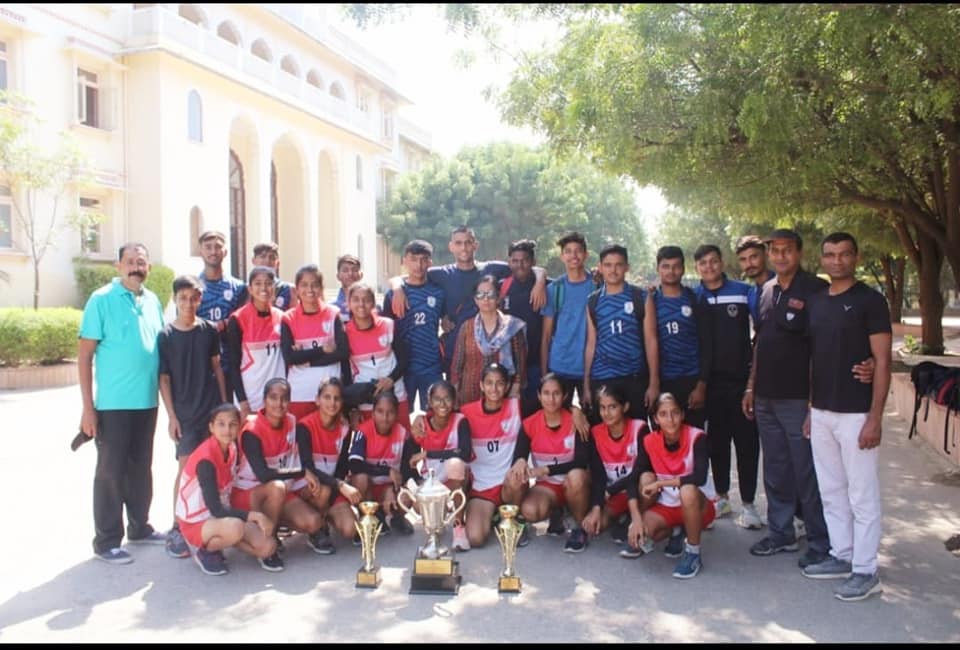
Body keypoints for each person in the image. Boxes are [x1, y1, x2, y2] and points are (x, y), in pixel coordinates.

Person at [802, 232, 891, 602]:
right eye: (830, 255)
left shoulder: (870, 301)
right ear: (822, 260)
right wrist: (810, 410)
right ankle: (842, 554)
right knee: (832, 490)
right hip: (822, 412)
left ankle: (866, 569)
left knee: (862, 494)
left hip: (856, 413)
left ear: (856, 257)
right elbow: (814, 358)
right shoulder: (817, 302)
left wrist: (875, 417)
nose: (837, 261)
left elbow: (882, 360)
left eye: (844, 255)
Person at [741, 229, 832, 568]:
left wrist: (813, 403)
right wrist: (751, 387)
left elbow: (821, 349)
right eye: (775, 251)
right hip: (765, 397)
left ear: (799, 253)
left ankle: (820, 541)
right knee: (776, 470)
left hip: (798, 400)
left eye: (787, 250)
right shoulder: (765, 290)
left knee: (807, 472)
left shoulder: (816, 290)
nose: (780, 256)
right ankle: (781, 534)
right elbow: (760, 344)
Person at [78, 242, 167, 564]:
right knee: (110, 472)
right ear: (118, 266)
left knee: (141, 469)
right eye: (129, 261)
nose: (135, 267)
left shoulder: (154, 300)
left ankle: (140, 527)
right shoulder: (101, 300)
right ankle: (106, 541)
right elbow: (85, 355)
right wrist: (88, 409)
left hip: (147, 402)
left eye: (141, 262)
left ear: (149, 267)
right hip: (113, 405)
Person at [388, 226, 546, 376]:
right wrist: (397, 287)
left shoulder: (492, 269)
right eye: (458, 243)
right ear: (451, 246)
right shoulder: (441, 274)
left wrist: (540, 282)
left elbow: (525, 266)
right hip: (456, 352)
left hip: (491, 352)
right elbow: (412, 275)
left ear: (475, 245)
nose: (463, 247)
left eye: (468, 242)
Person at [158, 275, 228, 559]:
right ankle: (177, 526)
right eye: (183, 297)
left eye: (194, 297)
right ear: (175, 299)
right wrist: (172, 416)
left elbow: (217, 367)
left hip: (210, 410)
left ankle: (209, 519)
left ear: (200, 299)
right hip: (185, 415)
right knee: (185, 470)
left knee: (211, 469)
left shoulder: (209, 330)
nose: (188, 303)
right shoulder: (166, 336)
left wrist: (224, 405)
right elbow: (163, 379)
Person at [693, 244, 762, 527]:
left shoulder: (745, 292)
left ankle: (748, 504)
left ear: (722, 263)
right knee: (716, 445)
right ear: (696, 267)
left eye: (713, 261)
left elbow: (763, 332)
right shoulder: (692, 296)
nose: (709, 267)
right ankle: (721, 498)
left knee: (747, 445)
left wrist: (752, 383)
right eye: (703, 263)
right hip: (709, 384)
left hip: (741, 383)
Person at [175, 404, 277, 576]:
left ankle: (228, 540)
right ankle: (204, 551)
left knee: (268, 546)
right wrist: (255, 515)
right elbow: (216, 508)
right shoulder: (206, 459)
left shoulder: (231, 448)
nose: (227, 430)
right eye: (221, 424)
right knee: (236, 527)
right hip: (196, 520)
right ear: (211, 427)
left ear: (239, 426)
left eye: (232, 424)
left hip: (221, 516)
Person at [234, 378, 325, 571]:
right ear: (264, 400)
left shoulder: (291, 421)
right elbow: (264, 474)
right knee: (277, 486)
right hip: (248, 492)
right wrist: (302, 472)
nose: (279, 404)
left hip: (280, 492)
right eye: (273, 398)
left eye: (284, 398)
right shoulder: (252, 429)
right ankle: (268, 543)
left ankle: (277, 523)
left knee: (314, 521)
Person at [633, 393, 717, 579]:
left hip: (699, 505)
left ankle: (693, 552)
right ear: (655, 418)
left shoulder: (697, 437)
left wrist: (662, 483)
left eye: (675, 413)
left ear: (682, 415)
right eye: (663, 414)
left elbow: (700, 477)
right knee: (641, 537)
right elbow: (635, 476)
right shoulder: (650, 441)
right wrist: (635, 518)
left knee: (687, 490)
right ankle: (677, 531)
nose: (670, 419)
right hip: (667, 506)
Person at [508, 374, 591, 553]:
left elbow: (582, 462)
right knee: (530, 509)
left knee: (576, 476)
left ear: (564, 396)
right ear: (539, 396)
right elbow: (520, 454)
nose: (551, 399)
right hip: (548, 487)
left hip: (573, 484)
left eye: (556, 393)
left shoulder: (576, 420)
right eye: (546, 393)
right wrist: (521, 461)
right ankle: (552, 514)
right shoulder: (530, 423)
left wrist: (546, 469)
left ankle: (578, 527)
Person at [583, 243, 659, 423]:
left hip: (634, 378)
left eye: (618, 264)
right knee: (603, 439)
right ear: (600, 267)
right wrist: (586, 384)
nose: (613, 270)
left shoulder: (641, 297)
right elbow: (591, 344)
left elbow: (651, 340)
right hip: (602, 377)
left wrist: (654, 382)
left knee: (636, 435)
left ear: (627, 267)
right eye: (608, 265)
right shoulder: (592, 301)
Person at [292, 378, 363, 551]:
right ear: (317, 400)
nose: (332, 403)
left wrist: (338, 486)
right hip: (307, 487)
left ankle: (327, 516)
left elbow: (342, 466)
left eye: (337, 398)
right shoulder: (304, 426)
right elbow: (308, 467)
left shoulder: (345, 429)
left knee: (349, 529)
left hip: (331, 486)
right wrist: (341, 485)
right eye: (327, 397)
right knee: (323, 489)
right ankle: (316, 531)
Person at [461, 363, 526, 548]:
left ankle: (514, 519)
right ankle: (494, 516)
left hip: (508, 483)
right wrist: (421, 419)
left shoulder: (516, 406)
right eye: (489, 383)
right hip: (481, 486)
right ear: (481, 385)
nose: (494, 388)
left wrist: (575, 411)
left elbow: (550, 406)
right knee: (475, 539)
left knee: (517, 476)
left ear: (506, 386)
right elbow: (442, 416)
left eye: (499, 383)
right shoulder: (467, 412)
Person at [582, 384, 650, 557]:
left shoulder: (640, 428)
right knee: (597, 525)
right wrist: (596, 507)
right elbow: (598, 475)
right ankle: (620, 518)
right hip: (613, 494)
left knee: (647, 478)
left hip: (637, 491)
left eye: (613, 407)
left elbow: (638, 473)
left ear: (625, 407)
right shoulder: (596, 432)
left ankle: (635, 521)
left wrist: (610, 491)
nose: (607, 413)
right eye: (603, 408)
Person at [406, 380, 472, 551]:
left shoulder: (460, 421)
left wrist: (428, 454)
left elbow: (464, 453)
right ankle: (435, 527)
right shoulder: (421, 424)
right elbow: (410, 458)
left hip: (454, 478)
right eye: (437, 399)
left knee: (456, 464)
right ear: (429, 401)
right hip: (432, 482)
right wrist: (414, 484)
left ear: (454, 400)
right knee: (417, 505)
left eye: (447, 399)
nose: (442, 404)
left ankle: (459, 526)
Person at [650, 246, 711, 429]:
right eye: (666, 266)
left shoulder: (696, 299)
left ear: (683, 269)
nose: (671, 271)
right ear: (658, 269)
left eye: (676, 266)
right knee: (664, 440)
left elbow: (707, 344)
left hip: (691, 381)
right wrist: (652, 384)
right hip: (662, 381)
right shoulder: (649, 301)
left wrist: (701, 386)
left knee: (693, 439)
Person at [381, 241, 446, 411]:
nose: (419, 265)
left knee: (434, 414)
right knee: (401, 416)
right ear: (404, 261)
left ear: (430, 263)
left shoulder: (438, 293)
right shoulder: (393, 295)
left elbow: (447, 321)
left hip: (431, 366)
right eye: (413, 259)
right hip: (403, 367)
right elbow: (385, 331)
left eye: (424, 260)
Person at [281, 264, 350, 419]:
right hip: (300, 393)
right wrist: (322, 350)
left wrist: (306, 359)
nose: (310, 290)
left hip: (330, 395)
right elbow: (290, 358)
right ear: (297, 289)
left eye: (315, 285)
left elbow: (343, 352)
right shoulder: (288, 318)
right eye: (304, 285)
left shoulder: (333, 314)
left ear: (321, 287)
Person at [450, 275, 527, 407]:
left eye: (490, 294)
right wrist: (455, 394)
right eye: (480, 294)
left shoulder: (512, 327)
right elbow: (457, 364)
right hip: (470, 398)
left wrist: (514, 394)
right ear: (475, 299)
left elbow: (520, 366)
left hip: (503, 398)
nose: (486, 299)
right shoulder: (467, 327)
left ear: (498, 298)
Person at [541, 232, 598, 409]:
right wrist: (545, 375)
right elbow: (546, 335)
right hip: (560, 365)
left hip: (591, 367)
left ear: (586, 254)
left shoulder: (597, 286)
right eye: (568, 251)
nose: (573, 256)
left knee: (593, 422)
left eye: (578, 251)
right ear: (562, 256)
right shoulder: (554, 289)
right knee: (560, 423)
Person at [347, 391, 416, 535]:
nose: (385, 418)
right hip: (369, 489)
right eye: (380, 411)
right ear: (372, 414)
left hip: (388, 488)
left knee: (407, 496)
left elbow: (407, 469)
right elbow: (354, 464)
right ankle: (368, 515)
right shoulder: (363, 432)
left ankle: (395, 517)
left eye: (390, 413)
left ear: (396, 415)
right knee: (360, 478)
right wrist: (386, 471)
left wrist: (394, 489)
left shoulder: (403, 434)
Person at [344, 282, 411, 428]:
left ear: (373, 303)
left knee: (403, 442)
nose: (361, 304)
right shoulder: (345, 332)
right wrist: (353, 408)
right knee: (371, 447)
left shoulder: (388, 325)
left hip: (396, 395)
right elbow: (346, 373)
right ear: (348, 303)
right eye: (356, 299)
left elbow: (405, 358)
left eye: (367, 300)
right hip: (367, 401)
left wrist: (391, 379)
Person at [226, 266, 286, 419]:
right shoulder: (238, 319)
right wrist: (242, 401)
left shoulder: (283, 318)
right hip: (250, 397)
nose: (263, 288)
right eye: (258, 283)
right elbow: (233, 364)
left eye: (268, 283)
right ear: (250, 289)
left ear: (274, 288)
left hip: (277, 398)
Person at [196, 230, 247, 399]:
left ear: (225, 251)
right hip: (202, 365)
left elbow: (241, 323)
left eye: (217, 247)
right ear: (200, 251)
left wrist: (225, 324)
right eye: (208, 247)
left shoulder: (239, 288)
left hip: (231, 365)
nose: (213, 251)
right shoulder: (193, 287)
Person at [499, 239, 546, 417]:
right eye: (515, 260)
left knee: (536, 413)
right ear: (509, 262)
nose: (520, 265)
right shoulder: (502, 286)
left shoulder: (546, 285)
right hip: (509, 365)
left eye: (525, 260)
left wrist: (540, 279)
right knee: (511, 416)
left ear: (533, 262)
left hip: (535, 363)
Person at [734, 235, 776, 326]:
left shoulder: (782, 285)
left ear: (766, 254)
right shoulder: (751, 293)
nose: (749, 264)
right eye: (743, 260)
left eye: (753, 257)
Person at [252, 242, 295, 310]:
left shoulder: (289, 289)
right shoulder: (246, 290)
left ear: (277, 263)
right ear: (253, 261)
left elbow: (295, 316)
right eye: (263, 256)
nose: (267, 261)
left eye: (272, 258)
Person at [333, 254, 363, 322]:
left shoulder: (372, 307)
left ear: (361, 275)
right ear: (338, 276)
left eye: (354, 270)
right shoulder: (332, 308)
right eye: (345, 270)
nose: (350, 273)